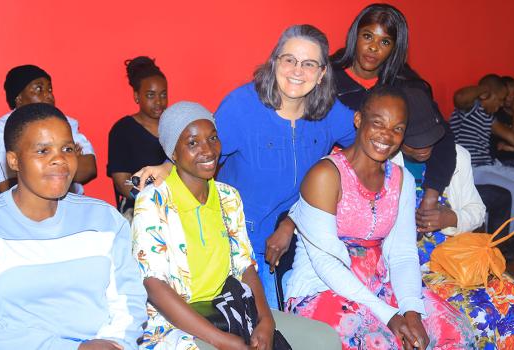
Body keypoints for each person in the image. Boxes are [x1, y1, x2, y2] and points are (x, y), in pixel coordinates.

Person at [133, 24, 356, 308]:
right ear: (275, 62)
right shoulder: (242, 106)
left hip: (305, 237)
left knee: (329, 312)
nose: (297, 71)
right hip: (244, 244)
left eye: (309, 63)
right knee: (268, 322)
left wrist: (292, 222)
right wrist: (167, 166)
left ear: (322, 73)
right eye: (289, 60)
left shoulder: (331, 112)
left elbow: (366, 146)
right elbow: (201, 151)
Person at [132, 101, 341, 350]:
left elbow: (245, 266)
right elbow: (155, 285)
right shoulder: (154, 200)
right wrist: (222, 341)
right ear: (172, 153)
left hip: (230, 308)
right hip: (176, 324)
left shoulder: (228, 197)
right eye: (192, 143)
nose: (208, 150)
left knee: (323, 339)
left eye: (213, 138)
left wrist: (266, 320)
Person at [285, 86, 475, 349]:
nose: (387, 135)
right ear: (359, 120)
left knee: (455, 332)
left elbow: (403, 254)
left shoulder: (401, 180)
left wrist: (411, 312)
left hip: (380, 285)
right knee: (381, 343)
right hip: (323, 288)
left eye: (397, 128)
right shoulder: (326, 175)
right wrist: (390, 317)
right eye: (378, 123)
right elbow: (326, 263)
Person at [0, 103, 147, 349]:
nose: (59, 160)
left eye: (67, 149)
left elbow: (129, 299)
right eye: (43, 151)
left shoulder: (104, 220)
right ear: (13, 161)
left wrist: (116, 342)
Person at [394, 89, 514, 348]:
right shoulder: (386, 163)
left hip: (459, 257)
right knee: (478, 315)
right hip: (416, 269)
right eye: (416, 140)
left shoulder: (457, 156)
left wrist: (451, 217)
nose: (424, 147)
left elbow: (477, 211)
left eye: (430, 138)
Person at [331, 3, 457, 227]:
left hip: (390, 191)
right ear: (355, 35)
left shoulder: (406, 85)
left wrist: (431, 195)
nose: (373, 48)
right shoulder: (328, 78)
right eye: (367, 36)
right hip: (336, 185)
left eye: (385, 42)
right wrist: (400, 144)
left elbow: (443, 137)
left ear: (395, 48)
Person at [0, 64, 96, 200]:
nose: (48, 95)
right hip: (12, 215)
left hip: (70, 208)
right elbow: (8, 185)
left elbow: (89, 168)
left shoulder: (66, 122)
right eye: (38, 89)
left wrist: (38, 167)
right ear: (19, 98)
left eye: (50, 89)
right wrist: (69, 160)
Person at [450, 74, 514, 248]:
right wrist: (484, 90)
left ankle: (512, 235)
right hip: (473, 169)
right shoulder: (469, 109)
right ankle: (501, 242)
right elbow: (459, 98)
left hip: (491, 165)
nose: (502, 104)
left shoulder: (488, 118)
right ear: (487, 95)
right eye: (501, 99)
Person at [107, 56, 168, 219]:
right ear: (136, 96)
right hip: (138, 208)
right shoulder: (123, 130)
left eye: (163, 95)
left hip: (177, 204)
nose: (158, 102)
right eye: (150, 95)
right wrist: (150, 202)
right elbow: (121, 183)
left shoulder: (175, 126)